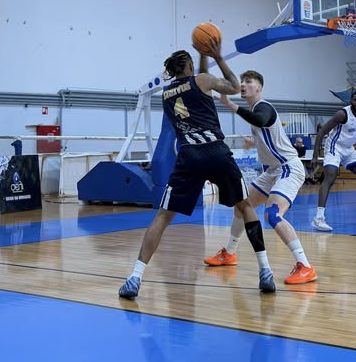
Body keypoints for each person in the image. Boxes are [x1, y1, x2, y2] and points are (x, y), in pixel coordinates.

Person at [118, 45, 276, 299]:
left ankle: (134, 278)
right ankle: (265, 271)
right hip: (216, 151)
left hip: (189, 155)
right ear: (190, 66)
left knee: (162, 216)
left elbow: (200, 83)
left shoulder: (166, 93)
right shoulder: (202, 80)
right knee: (245, 207)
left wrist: (202, 56)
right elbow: (233, 86)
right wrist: (217, 57)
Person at [204, 70, 317, 285]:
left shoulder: (263, 107)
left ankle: (305, 266)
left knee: (272, 214)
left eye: (248, 81)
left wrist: (231, 105)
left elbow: (261, 119)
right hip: (273, 170)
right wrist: (254, 142)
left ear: (259, 88)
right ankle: (229, 253)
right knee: (241, 206)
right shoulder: (255, 111)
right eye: (242, 81)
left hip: (288, 168)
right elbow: (270, 134)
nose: (243, 85)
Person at [311, 90, 356, 232]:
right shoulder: (342, 114)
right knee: (330, 177)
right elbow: (322, 131)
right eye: (354, 99)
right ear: (351, 101)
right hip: (334, 147)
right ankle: (318, 218)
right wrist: (315, 155)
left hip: (349, 149)